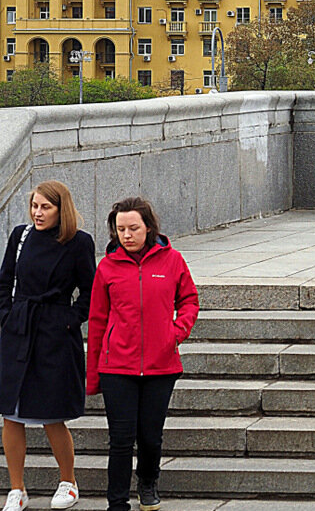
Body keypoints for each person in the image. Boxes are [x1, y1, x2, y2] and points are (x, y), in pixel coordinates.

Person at [87, 197, 199, 511]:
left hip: (161, 366)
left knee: (150, 436)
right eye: (120, 229)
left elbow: (189, 300)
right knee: (121, 439)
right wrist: (93, 375)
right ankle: (117, 501)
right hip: (117, 367)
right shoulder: (107, 267)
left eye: (133, 228)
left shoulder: (172, 260)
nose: (127, 234)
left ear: (148, 228)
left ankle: (148, 483)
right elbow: (97, 321)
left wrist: (176, 333)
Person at [0, 182, 95, 511]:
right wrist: (6, 317)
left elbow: (90, 291)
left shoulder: (78, 242)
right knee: (10, 413)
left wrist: (68, 320)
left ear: (61, 209)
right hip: (19, 328)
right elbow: (4, 279)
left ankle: (68, 482)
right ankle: (16, 488)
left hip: (54, 333)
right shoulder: (20, 236)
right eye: (34, 206)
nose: (37, 213)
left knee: (52, 413)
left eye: (45, 207)